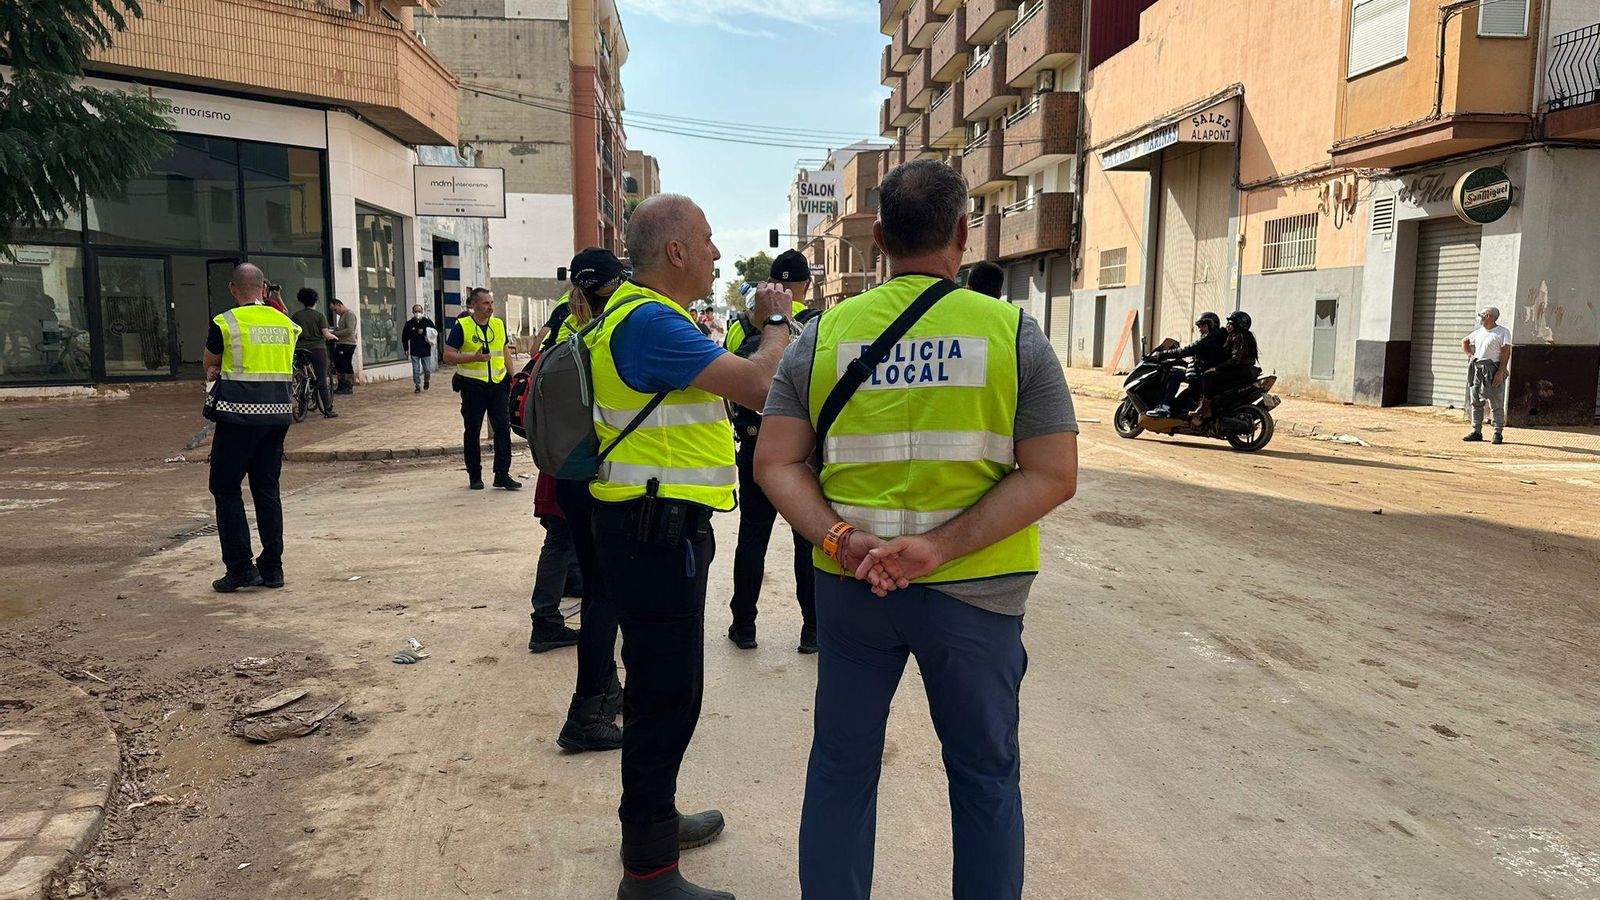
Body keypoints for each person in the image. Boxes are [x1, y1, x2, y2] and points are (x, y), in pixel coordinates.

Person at [755, 158, 1079, 900]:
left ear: (876, 239)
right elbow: (1053, 474)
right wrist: (938, 548)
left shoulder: (819, 336)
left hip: (852, 588)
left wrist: (839, 539)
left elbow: (777, 463)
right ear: (965, 233)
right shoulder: (1012, 335)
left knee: (841, 769)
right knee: (985, 777)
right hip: (977, 597)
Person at [582, 194, 792, 899]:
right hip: (655, 532)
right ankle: (648, 872)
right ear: (674, 251)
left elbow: (713, 384)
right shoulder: (648, 321)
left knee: (664, 690)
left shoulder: (648, 317)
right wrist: (779, 323)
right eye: (705, 240)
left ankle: (657, 823)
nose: (714, 253)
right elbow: (762, 387)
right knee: (665, 698)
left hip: (652, 527)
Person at [724, 248, 822, 653]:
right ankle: (813, 630)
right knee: (807, 538)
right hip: (804, 448)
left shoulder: (741, 326)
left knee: (752, 535)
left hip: (755, 442)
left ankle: (744, 626)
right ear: (807, 286)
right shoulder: (818, 326)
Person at [553, 246, 630, 746]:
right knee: (604, 596)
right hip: (596, 475)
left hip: (567, 472)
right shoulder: (612, 330)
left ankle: (609, 687)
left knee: (599, 586)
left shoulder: (563, 324)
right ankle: (586, 713)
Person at [202, 263, 302, 593]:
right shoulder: (286, 322)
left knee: (226, 487)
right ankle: (273, 569)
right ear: (263, 289)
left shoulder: (226, 322)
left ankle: (241, 568)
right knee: (267, 489)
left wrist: (218, 370)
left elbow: (210, 365)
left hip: (238, 418)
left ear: (233, 289)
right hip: (278, 417)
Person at [443, 288, 520, 491]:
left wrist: (513, 377)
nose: (490, 307)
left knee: (503, 428)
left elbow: (504, 351)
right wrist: (473, 358)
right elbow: (448, 356)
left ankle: (502, 473)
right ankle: (474, 475)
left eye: (491, 303)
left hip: (497, 385)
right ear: (474, 305)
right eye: (485, 303)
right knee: (473, 431)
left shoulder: (498, 324)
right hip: (472, 387)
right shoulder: (462, 326)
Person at [1148, 311, 1225, 418]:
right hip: (1203, 372)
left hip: (1201, 375)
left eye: (1203, 326)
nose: (1200, 329)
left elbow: (1187, 350)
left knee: (1176, 374)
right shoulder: (1217, 338)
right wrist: (1179, 362)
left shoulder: (1210, 339)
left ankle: (1164, 408)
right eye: (1199, 326)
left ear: (1212, 325)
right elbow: (1200, 359)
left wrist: (1162, 354)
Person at [1193, 310, 1260, 422]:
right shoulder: (1247, 336)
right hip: (1248, 371)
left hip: (1239, 371)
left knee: (1207, 376)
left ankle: (1205, 408)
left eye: (1230, 323)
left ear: (1237, 325)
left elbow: (1235, 359)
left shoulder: (1237, 337)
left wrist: (1217, 368)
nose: (1227, 325)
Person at [1462, 306, 1512, 444]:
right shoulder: (1479, 332)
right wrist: (1471, 355)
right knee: (1476, 401)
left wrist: (1500, 372)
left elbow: (1506, 352)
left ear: (1489, 316)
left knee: (1496, 402)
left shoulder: (1502, 332)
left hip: (1493, 369)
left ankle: (1497, 432)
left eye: (1481, 314)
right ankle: (1476, 431)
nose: (1479, 317)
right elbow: (1464, 341)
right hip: (1477, 369)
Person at [289, 288, 339, 419]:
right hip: (317, 349)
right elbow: (326, 334)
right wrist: (334, 337)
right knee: (321, 379)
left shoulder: (296, 316)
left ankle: (301, 408)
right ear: (315, 301)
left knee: (301, 377)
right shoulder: (319, 316)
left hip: (300, 349)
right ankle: (328, 409)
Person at [401, 304, 437, 393]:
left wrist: (424, 331)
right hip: (414, 350)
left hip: (425, 349)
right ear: (413, 312)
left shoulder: (427, 322)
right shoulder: (409, 324)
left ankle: (426, 381)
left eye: (419, 311)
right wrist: (406, 349)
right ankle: (417, 385)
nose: (418, 313)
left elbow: (435, 332)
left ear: (422, 311)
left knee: (427, 369)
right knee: (416, 370)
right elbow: (404, 337)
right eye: (416, 311)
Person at [328, 298, 359, 395]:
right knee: (339, 364)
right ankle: (341, 386)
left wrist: (335, 333)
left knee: (345, 365)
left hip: (347, 344)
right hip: (341, 343)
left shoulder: (349, 315)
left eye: (335, 309)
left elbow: (349, 330)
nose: (335, 312)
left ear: (339, 305)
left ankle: (348, 385)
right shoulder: (343, 315)